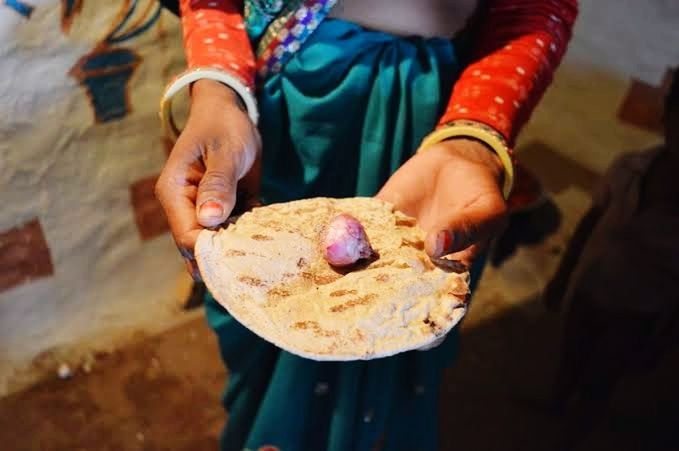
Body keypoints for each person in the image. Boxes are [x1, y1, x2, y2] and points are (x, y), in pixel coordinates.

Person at [155, 1, 578, 449]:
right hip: (284, 129)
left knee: (399, 324)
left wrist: (474, 137)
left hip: (432, 134)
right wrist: (218, 90)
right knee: (267, 328)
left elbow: (536, 7)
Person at [544, 68, 679, 448]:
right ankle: (556, 405)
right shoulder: (630, 167)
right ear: (666, 117)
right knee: (572, 351)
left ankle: (577, 431)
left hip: (643, 308)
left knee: (604, 375)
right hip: (595, 283)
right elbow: (591, 222)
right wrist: (563, 276)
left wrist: (666, 337)